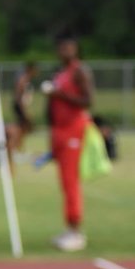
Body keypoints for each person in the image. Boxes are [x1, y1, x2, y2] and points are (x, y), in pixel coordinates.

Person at [44, 35, 94, 251]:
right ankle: (69, 227)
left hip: (74, 129)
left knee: (71, 181)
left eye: (69, 48)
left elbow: (87, 100)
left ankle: (76, 231)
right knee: (65, 181)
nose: (64, 52)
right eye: (61, 48)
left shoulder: (79, 71)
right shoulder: (59, 73)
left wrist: (60, 94)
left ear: (76, 50)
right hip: (60, 131)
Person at [5, 61, 38, 166]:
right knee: (20, 130)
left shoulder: (26, 80)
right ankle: (14, 151)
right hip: (20, 108)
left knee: (25, 130)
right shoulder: (23, 79)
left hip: (22, 107)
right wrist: (24, 111)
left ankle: (17, 150)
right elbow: (19, 96)